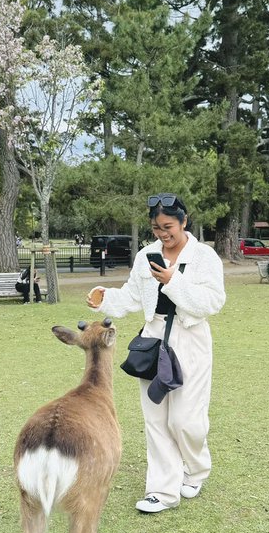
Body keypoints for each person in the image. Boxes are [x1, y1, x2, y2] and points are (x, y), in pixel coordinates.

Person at [87, 194, 226, 514]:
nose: (162, 233)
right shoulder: (146, 255)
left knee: (186, 421)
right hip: (153, 341)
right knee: (156, 419)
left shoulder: (205, 257)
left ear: (184, 221)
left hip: (190, 340)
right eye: (156, 227)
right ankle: (162, 490)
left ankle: (195, 468)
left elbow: (213, 301)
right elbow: (132, 297)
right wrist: (104, 298)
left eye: (168, 227)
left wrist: (172, 281)